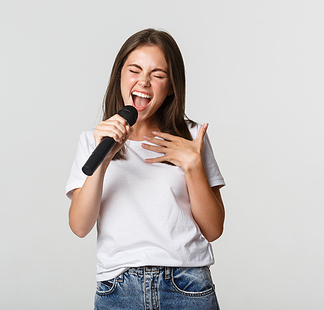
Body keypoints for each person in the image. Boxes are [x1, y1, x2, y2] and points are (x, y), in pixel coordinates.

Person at [66, 28, 225, 309]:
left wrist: (192, 166)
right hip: (118, 290)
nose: (144, 82)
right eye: (134, 70)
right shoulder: (93, 140)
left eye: (158, 75)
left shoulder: (192, 137)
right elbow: (79, 227)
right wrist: (103, 159)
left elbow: (213, 229)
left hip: (186, 286)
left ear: (172, 85)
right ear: (119, 77)